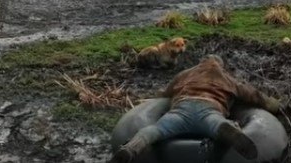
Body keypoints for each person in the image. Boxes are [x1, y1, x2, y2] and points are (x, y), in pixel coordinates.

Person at [110, 54, 282, 163]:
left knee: (155, 129)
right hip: (209, 110)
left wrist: (155, 100)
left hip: (181, 109)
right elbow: (256, 96)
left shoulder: (185, 74)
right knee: (217, 125)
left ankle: (130, 149)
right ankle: (228, 129)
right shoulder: (227, 79)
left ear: (201, 63)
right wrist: (276, 105)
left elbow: (165, 93)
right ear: (220, 65)